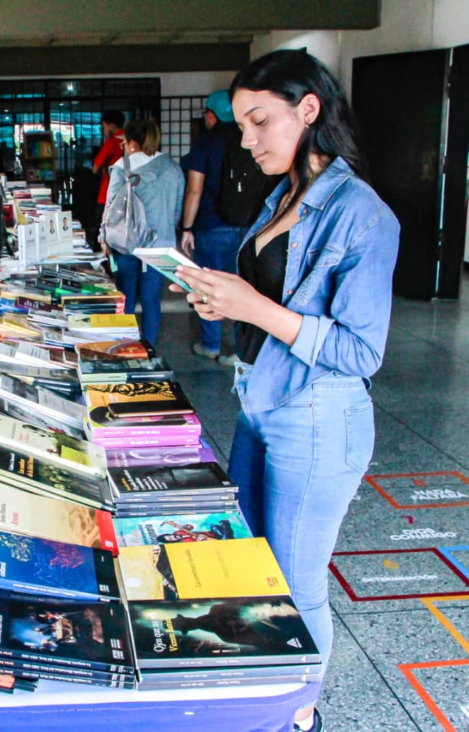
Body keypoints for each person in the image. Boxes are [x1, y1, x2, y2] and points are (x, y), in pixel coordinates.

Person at [172, 50, 400, 732]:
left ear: (309, 110)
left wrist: (253, 306)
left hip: (319, 418)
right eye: (242, 123)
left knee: (298, 585)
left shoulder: (363, 215)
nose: (246, 139)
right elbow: (271, 298)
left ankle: (299, 717)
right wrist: (225, 305)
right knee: (252, 567)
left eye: (259, 121)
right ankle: (262, 695)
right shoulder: (282, 196)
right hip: (263, 403)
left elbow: (361, 351)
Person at [180, 90, 247, 365]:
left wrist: (186, 227)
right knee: (245, 287)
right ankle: (242, 351)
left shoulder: (206, 144)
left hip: (211, 226)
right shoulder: (248, 139)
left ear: (212, 115)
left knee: (207, 285)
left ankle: (211, 345)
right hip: (249, 226)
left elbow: (194, 190)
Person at [104, 118, 184, 345]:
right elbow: (177, 210)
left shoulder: (122, 166)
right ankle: (148, 349)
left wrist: (104, 238)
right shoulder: (174, 168)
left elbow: (111, 207)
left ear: (131, 143)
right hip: (160, 246)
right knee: (151, 300)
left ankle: (125, 347)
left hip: (127, 243)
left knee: (126, 298)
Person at [92, 110, 125, 228]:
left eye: (104, 128)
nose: (104, 132)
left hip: (109, 189)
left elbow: (95, 167)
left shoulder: (111, 142)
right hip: (128, 190)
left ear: (112, 127)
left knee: (102, 224)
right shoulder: (131, 140)